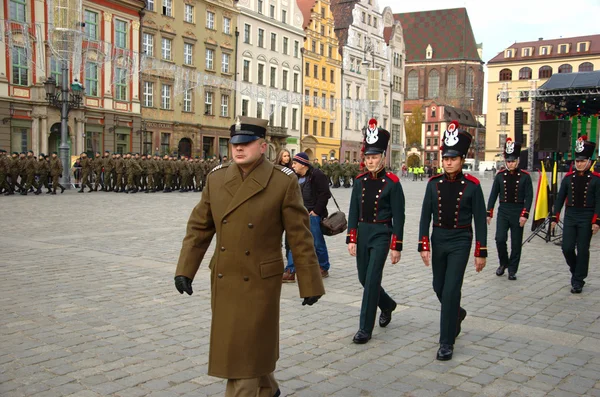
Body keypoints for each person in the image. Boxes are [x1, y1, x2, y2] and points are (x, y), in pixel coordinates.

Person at [174, 116, 325, 397]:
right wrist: (185, 269)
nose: (238, 149)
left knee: (241, 358)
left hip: (259, 281)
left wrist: (310, 281)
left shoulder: (281, 182)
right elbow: (199, 227)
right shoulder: (217, 179)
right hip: (225, 277)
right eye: (234, 144)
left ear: (263, 146)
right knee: (244, 347)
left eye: (246, 143)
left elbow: (299, 236)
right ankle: (268, 388)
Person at [418, 122, 487, 361]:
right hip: (439, 239)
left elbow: (480, 219)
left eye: (453, 158)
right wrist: (423, 243)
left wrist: (481, 251)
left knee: (451, 289)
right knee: (439, 287)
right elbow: (425, 215)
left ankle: (446, 341)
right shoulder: (433, 184)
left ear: (462, 159)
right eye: (445, 158)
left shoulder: (472, 186)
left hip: (460, 240)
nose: (448, 162)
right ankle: (457, 313)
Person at [346, 124, 405, 344]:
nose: (370, 161)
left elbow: (399, 216)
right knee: (364, 278)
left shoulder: (392, 183)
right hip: (363, 233)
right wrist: (352, 238)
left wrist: (396, 244)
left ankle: (364, 328)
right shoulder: (360, 182)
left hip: (382, 233)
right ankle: (388, 304)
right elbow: (353, 211)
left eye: (375, 157)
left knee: (371, 281)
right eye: (367, 157)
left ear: (382, 157)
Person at [551, 136, 600, 294]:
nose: (579, 164)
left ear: (589, 161)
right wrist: (555, 216)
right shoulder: (568, 179)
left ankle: (578, 280)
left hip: (587, 216)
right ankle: (575, 269)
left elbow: (599, 202)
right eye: (577, 161)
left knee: (583, 249)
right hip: (571, 215)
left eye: (582, 161)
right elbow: (560, 198)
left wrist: (597, 221)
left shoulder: (596, 180)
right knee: (567, 247)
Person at [486, 138, 533, 280]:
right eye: (508, 161)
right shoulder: (500, 176)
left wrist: (525, 214)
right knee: (499, 239)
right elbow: (494, 194)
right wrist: (489, 212)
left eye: (513, 161)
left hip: (518, 211)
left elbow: (529, 197)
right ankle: (503, 263)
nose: (510, 163)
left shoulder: (525, 177)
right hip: (504, 210)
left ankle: (512, 269)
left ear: (518, 160)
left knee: (516, 242)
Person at [283, 152, 332, 282]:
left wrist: (316, 211)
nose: (292, 165)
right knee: (296, 241)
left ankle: (323, 266)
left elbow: (325, 194)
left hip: (313, 215)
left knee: (317, 242)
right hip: (299, 214)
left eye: (295, 163)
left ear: (303, 164)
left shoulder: (317, 175)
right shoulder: (295, 176)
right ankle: (290, 270)